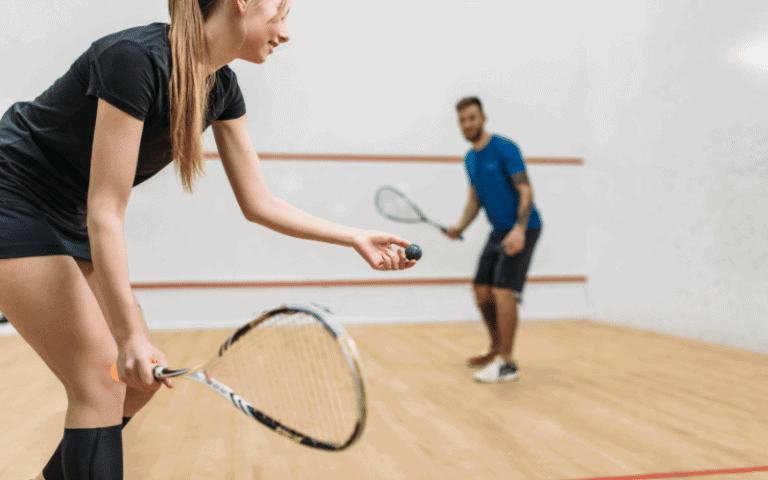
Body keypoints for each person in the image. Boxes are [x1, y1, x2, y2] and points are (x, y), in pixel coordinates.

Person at [0, 1, 417, 478]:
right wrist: (128, 333)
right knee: (102, 380)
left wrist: (355, 237)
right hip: (12, 199)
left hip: (63, 215)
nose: (285, 32)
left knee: (136, 384)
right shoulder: (133, 60)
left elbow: (259, 203)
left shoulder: (221, 87)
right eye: (280, 14)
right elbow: (106, 211)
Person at [445, 96, 542, 383]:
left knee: (503, 291)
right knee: (481, 292)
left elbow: (525, 190)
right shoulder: (470, 159)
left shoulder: (504, 148)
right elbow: (475, 200)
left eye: (472, 117)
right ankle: (496, 349)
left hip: (524, 227)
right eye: (462, 120)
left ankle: (507, 362)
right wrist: (459, 226)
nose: (467, 124)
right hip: (498, 231)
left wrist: (519, 229)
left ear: (483, 118)